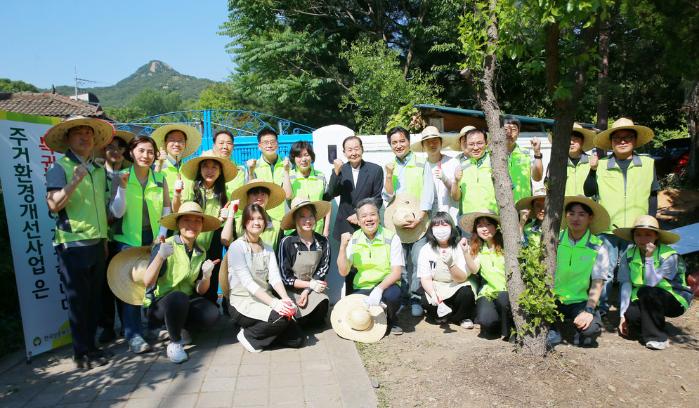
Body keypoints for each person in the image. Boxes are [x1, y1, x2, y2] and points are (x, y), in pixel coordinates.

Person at [45, 116, 114, 368]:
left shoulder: (98, 169)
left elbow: (100, 207)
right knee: (78, 301)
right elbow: (53, 205)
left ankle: (92, 348)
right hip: (72, 244)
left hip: (96, 242)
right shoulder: (59, 167)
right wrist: (74, 180)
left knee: (94, 300)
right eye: (78, 133)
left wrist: (104, 239)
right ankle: (80, 353)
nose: (85, 137)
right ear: (68, 139)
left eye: (88, 133)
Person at [585, 117, 659, 315]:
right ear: (611, 142)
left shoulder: (647, 163)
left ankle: (629, 311)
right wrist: (592, 171)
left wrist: (651, 225)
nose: (622, 141)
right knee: (604, 272)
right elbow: (588, 190)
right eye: (617, 137)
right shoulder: (599, 165)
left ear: (635, 140)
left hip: (637, 229)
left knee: (631, 271)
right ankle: (599, 310)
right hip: (607, 227)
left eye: (627, 137)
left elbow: (653, 196)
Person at [110, 136, 172, 354]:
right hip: (127, 241)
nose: (146, 156)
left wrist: (162, 234)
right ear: (131, 152)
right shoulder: (120, 176)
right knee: (131, 289)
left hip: (153, 239)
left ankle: (154, 326)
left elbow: (167, 208)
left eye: (150, 152)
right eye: (141, 151)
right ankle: (134, 335)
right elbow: (116, 212)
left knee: (153, 285)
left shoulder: (159, 177)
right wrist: (123, 188)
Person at [143, 202, 221, 363]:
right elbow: (147, 282)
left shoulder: (201, 250)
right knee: (178, 297)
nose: (192, 225)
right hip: (160, 304)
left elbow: (200, 291)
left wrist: (206, 276)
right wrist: (160, 256)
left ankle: (179, 327)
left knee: (212, 314)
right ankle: (174, 342)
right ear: (178, 223)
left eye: (197, 221)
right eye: (187, 220)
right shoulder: (166, 245)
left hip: (185, 300)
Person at [227, 204, 305, 352]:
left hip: (264, 298)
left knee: (298, 339)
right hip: (242, 301)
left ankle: (264, 334)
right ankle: (248, 335)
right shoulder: (237, 247)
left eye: (260, 219)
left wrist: (285, 299)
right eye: (251, 219)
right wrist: (275, 304)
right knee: (281, 318)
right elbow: (248, 283)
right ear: (244, 222)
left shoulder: (268, 248)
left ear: (265, 222)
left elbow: (275, 278)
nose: (256, 222)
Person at [615, 215, 693, 350]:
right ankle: (654, 324)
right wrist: (622, 315)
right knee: (631, 316)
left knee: (647, 291)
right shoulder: (628, 254)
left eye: (648, 235)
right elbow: (626, 285)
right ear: (633, 236)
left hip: (673, 299)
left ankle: (658, 338)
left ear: (656, 236)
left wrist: (649, 257)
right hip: (644, 297)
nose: (643, 239)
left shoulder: (669, 255)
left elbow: (651, 283)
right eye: (638, 235)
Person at [383, 126, 434, 317]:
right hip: (396, 223)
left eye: (402, 141)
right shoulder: (389, 165)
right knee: (400, 262)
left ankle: (415, 299)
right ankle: (403, 298)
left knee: (418, 260)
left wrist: (419, 218)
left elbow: (428, 193)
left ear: (409, 141)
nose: (399, 145)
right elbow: (387, 195)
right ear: (390, 145)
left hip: (419, 221)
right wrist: (388, 174)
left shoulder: (422, 162)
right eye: (394, 142)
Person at [548, 196, 610, 347]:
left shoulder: (597, 246)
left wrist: (589, 310)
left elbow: (598, 281)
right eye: (571, 213)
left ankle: (578, 328)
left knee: (591, 329)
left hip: (579, 301)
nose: (575, 218)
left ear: (590, 218)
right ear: (565, 216)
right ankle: (552, 329)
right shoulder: (554, 239)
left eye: (582, 214)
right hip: (551, 299)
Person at [325, 133, 384, 294]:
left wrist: (360, 215)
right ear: (344, 152)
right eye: (349, 150)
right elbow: (330, 193)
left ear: (362, 149)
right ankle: (352, 300)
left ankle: (374, 296)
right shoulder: (341, 169)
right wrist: (335, 173)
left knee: (369, 261)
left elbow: (377, 199)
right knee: (349, 264)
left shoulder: (375, 170)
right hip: (346, 225)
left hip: (367, 223)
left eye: (356, 148)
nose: (353, 153)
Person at [337, 198, 404, 335]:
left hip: (386, 286)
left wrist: (379, 289)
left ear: (378, 216)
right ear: (358, 220)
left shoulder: (392, 237)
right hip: (362, 288)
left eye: (372, 214)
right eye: (364, 216)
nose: (368, 219)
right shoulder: (354, 239)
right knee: (356, 313)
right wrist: (343, 247)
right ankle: (378, 314)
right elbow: (343, 272)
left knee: (393, 296)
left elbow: (397, 273)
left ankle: (391, 320)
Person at [180, 153, 238, 304]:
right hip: (189, 241)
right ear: (199, 169)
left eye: (214, 167)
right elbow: (179, 212)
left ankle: (209, 308)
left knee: (210, 276)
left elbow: (226, 228)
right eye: (205, 166)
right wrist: (175, 195)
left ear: (220, 172)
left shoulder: (225, 194)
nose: (210, 170)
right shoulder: (190, 189)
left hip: (212, 241)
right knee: (187, 277)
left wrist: (224, 218)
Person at [98, 129, 134, 344]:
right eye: (111, 147)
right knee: (104, 285)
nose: (116, 151)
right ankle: (107, 326)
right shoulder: (96, 174)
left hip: (126, 237)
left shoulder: (132, 173)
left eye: (120, 147)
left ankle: (128, 326)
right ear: (104, 149)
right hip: (102, 235)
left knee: (124, 280)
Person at [417, 212, 478, 328]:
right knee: (426, 301)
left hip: (456, 285)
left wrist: (451, 265)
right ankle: (443, 315)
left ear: (452, 227)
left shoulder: (460, 246)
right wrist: (433, 294)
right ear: (431, 229)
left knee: (466, 294)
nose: (440, 229)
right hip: (437, 286)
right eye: (436, 226)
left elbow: (461, 278)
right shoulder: (426, 250)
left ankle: (460, 317)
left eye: (444, 225)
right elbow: (425, 278)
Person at [278, 197, 332, 327]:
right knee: (292, 319)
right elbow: (285, 278)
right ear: (295, 219)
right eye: (302, 216)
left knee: (322, 305)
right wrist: (310, 284)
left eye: (311, 216)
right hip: (289, 291)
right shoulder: (287, 242)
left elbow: (322, 270)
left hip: (311, 290)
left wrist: (308, 290)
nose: (308, 220)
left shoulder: (323, 242)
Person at [460, 211, 514, 340]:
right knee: (486, 321)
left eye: (488, 224)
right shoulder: (479, 248)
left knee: (503, 300)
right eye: (479, 226)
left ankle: (509, 330)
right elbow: (474, 270)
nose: (484, 229)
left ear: (496, 226)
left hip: (506, 291)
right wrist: (466, 253)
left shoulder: (507, 246)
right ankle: (495, 325)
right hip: (488, 292)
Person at [410, 126, 459, 223]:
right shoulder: (419, 166)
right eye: (428, 142)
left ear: (441, 143)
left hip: (450, 218)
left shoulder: (453, 162)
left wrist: (445, 179)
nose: (432, 144)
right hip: (426, 221)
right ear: (423, 146)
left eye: (435, 141)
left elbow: (457, 195)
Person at [282, 141, 331, 236]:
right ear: (294, 158)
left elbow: (327, 203)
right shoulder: (288, 176)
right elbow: (288, 196)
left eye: (306, 155)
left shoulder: (320, 176)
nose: (303, 159)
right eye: (299, 156)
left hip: (317, 229)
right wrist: (286, 172)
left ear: (311, 157)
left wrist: (326, 229)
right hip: (294, 230)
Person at [451, 128, 497, 217]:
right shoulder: (462, 166)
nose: (475, 148)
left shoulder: (495, 163)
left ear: (486, 143)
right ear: (466, 145)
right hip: (469, 220)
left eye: (479, 143)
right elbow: (455, 197)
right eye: (471, 144)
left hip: (493, 218)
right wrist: (456, 181)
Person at [152, 124, 202, 202]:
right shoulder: (156, 166)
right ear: (165, 143)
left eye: (180, 140)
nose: (176, 144)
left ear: (185, 144)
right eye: (172, 140)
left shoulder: (189, 169)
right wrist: (159, 165)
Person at [231, 179, 286, 250]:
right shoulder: (236, 222)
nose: (259, 198)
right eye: (255, 194)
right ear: (247, 198)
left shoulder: (277, 225)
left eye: (263, 194)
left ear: (268, 198)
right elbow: (226, 242)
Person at [247, 128, 286, 225]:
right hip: (263, 219)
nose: (269, 145)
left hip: (285, 218)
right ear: (259, 146)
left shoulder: (287, 165)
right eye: (265, 142)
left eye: (272, 142)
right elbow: (251, 192)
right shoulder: (254, 166)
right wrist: (251, 172)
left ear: (277, 144)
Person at [545, 123, 595, 196]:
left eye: (576, 139)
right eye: (568, 139)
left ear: (582, 141)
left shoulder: (593, 162)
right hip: (564, 206)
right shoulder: (555, 164)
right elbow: (549, 189)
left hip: (587, 206)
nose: (571, 142)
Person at [503, 116, 543, 203]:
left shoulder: (526, 154)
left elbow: (537, 177)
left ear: (518, 133)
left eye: (513, 130)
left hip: (522, 207)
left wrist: (537, 153)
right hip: (499, 209)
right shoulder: (491, 154)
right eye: (506, 129)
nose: (509, 133)